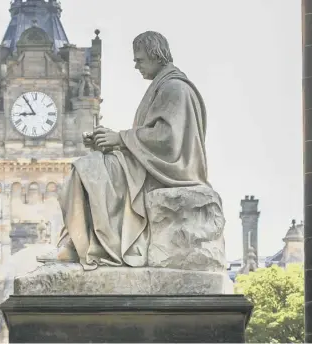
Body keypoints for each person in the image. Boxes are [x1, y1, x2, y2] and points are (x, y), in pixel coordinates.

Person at [37, 31, 209, 270]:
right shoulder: (164, 85)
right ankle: (74, 243)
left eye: (139, 59)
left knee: (87, 169)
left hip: (168, 171)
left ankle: (78, 246)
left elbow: (169, 139)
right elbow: (154, 137)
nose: (135, 65)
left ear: (155, 55)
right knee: (91, 165)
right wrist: (112, 141)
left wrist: (120, 139)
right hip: (153, 164)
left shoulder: (174, 88)